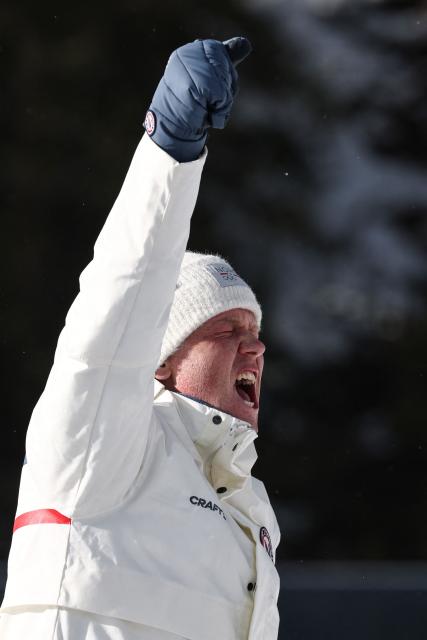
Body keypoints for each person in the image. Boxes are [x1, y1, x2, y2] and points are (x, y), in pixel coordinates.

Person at [0, 37, 280, 640]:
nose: (254, 348)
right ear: (160, 360)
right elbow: (125, 297)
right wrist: (170, 155)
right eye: (227, 330)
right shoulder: (101, 447)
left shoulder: (248, 508)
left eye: (255, 332)